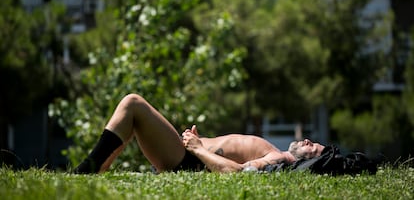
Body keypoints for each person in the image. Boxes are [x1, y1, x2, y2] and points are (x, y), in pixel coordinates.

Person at [73, 93, 325, 174]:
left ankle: (87, 169)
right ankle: (96, 168)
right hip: (190, 153)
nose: (308, 141)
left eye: (313, 148)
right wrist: (201, 141)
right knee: (134, 111)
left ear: (309, 161)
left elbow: (240, 173)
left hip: (189, 161)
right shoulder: (274, 150)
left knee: (133, 104)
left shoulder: (278, 159)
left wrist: (199, 149)